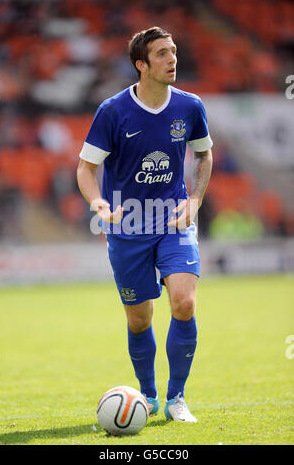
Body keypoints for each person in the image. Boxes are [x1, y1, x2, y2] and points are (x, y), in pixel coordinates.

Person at [77, 27, 213, 422]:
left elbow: (204, 156)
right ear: (141, 64)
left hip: (174, 219)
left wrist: (195, 200)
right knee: (140, 318)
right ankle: (149, 396)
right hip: (128, 226)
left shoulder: (190, 106)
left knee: (184, 303)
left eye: (173, 51)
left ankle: (177, 398)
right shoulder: (113, 111)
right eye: (162, 54)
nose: (172, 59)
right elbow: (86, 167)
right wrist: (98, 202)